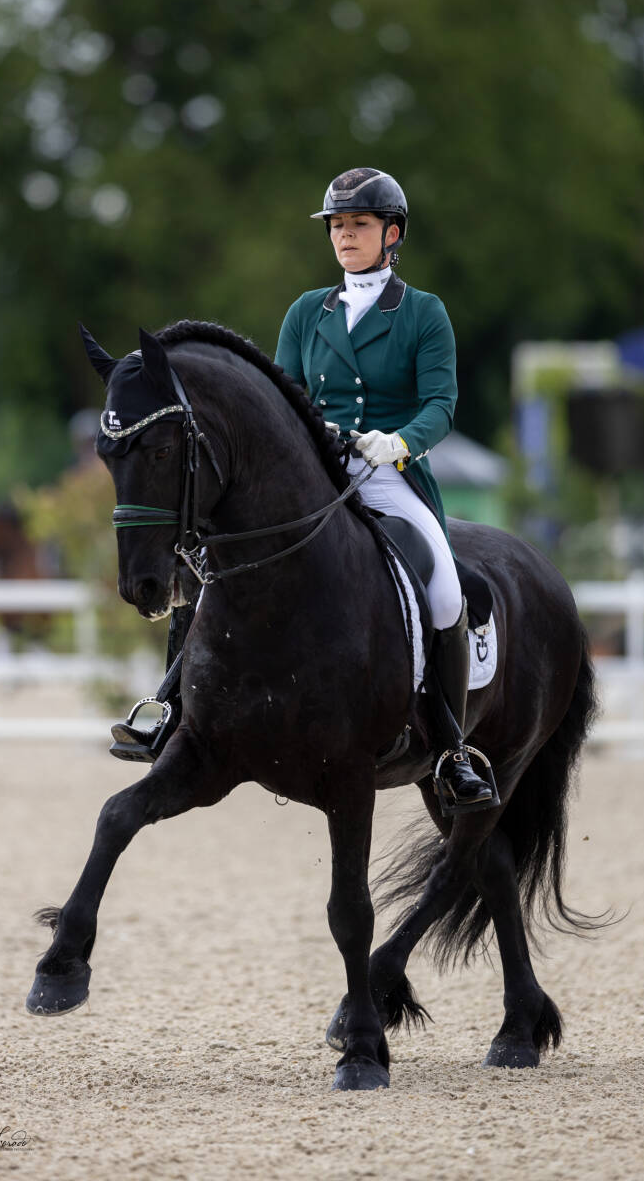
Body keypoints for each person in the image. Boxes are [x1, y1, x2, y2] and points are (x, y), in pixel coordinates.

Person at [273, 167, 492, 811]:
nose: (345, 236)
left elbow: (441, 405)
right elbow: (285, 396)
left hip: (389, 476)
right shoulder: (306, 313)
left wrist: (398, 441)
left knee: (447, 594)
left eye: (359, 225)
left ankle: (451, 747)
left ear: (391, 233)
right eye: (338, 226)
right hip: (319, 472)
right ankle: (172, 702)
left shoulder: (423, 313)